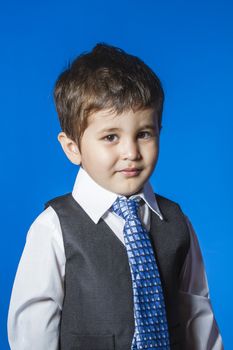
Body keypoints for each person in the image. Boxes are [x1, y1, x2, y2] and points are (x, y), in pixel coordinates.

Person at [8, 43, 223, 350]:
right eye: (111, 137)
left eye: (144, 134)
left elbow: (197, 313)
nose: (131, 152)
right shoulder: (53, 229)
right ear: (72, 148)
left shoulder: (178, 222)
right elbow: (33, 334)